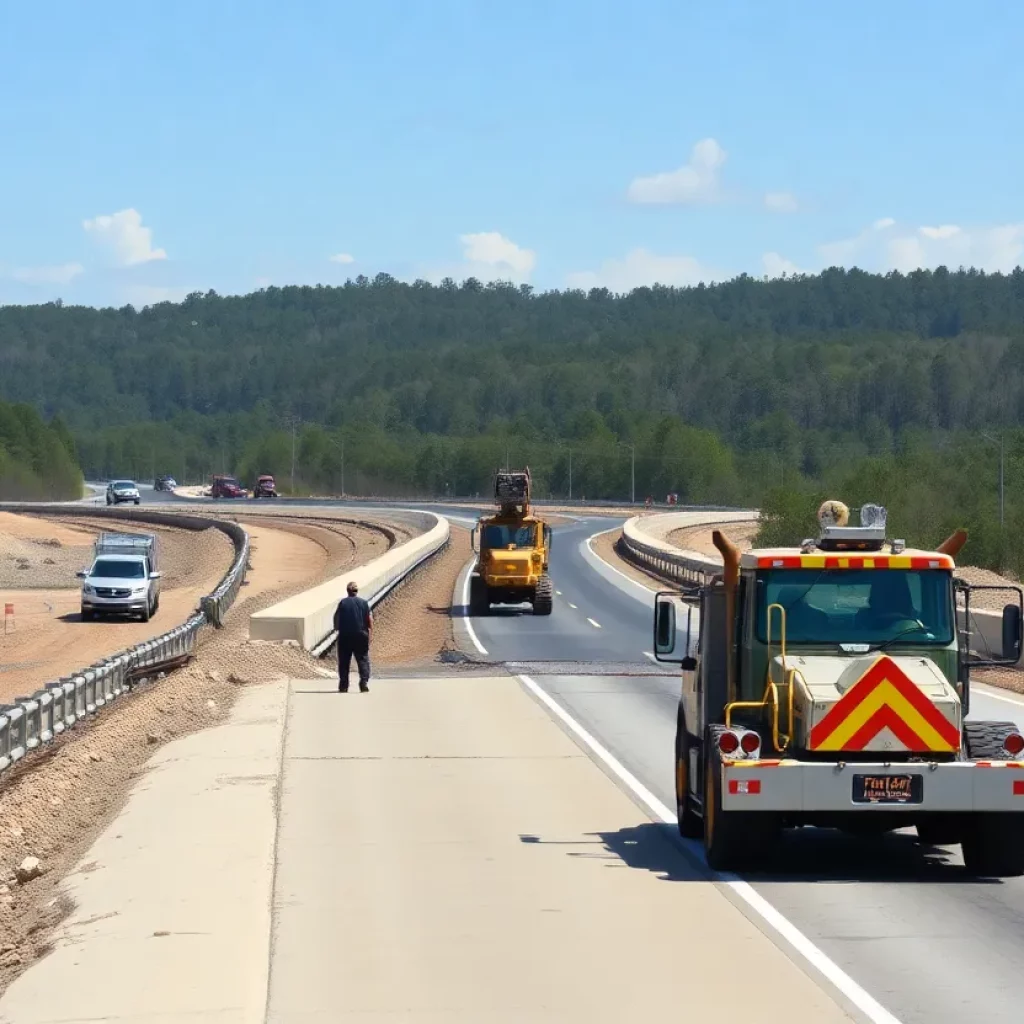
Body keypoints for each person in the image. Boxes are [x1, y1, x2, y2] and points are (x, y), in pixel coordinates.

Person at [333, 581, 373, 693]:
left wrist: (337, 629)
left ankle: (344, 685)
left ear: (347, 591)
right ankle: (363, 683)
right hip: (361, 635)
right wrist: (370, 634)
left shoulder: (343, 603)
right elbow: (369, 620)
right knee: (363, 659)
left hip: (345, 635)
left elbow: (336, 617)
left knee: (344, 661)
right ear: (357, 591)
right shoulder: (364, 603)